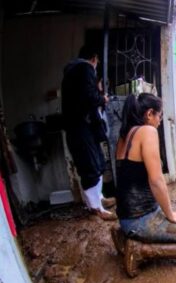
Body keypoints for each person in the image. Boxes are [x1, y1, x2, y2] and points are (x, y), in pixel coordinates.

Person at [110, 93, 176, 277]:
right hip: (140, 219)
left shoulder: (125, 136)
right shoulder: (147, 132)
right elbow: (156, 181)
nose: (160, 121)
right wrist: (170, 215)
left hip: (125, 217)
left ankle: (124, 234)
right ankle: (140, 251)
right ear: (149, 114)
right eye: (160, 116)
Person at [62, 45, 116, 220]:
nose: (97, 64)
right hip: (81, 127)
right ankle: (96, 208)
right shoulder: (85, 68)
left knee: (96, 163)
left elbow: (82, 96)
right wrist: (103, 98)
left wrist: (96, 89)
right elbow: (88, 98)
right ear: (94, 58)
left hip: (79, 127)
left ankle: (98, 200)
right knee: (91, 166)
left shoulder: (72, 72)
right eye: (98, 61)